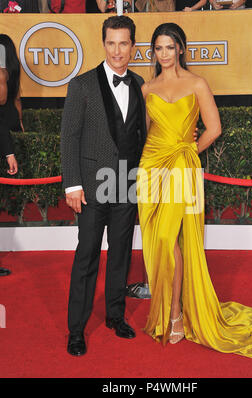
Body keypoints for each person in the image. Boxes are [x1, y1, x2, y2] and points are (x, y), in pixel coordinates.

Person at [137, 22, 252, 356]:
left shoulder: (197, 83)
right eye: (158, 48)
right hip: (151, 169)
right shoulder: (146, 89)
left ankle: (176, 313)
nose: (164, 54)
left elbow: (214, 127)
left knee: (170, 238)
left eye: (170, 47)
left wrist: (189, 152)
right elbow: (145, 133)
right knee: (156, 240)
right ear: (154, 52)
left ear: (180, 48)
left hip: (182, 166)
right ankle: (166, 307)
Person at [60, 15, 147, 356]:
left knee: (121, 255)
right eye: (111, 43)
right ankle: (76, 329)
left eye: (123, 43)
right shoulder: (81, 85)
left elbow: (143, 134)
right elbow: (69, 137)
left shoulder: (140, 83)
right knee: (87, 256)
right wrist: (72, 186)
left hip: (126, 184)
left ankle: (115, 315)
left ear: (133, 47)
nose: (116, 50)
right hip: (93, 186)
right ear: (103, 44)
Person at [0, 34, 23, 277]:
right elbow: (14, 100)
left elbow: (5, 97)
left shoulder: (5, 73)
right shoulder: (12, 69)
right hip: (8, 127)